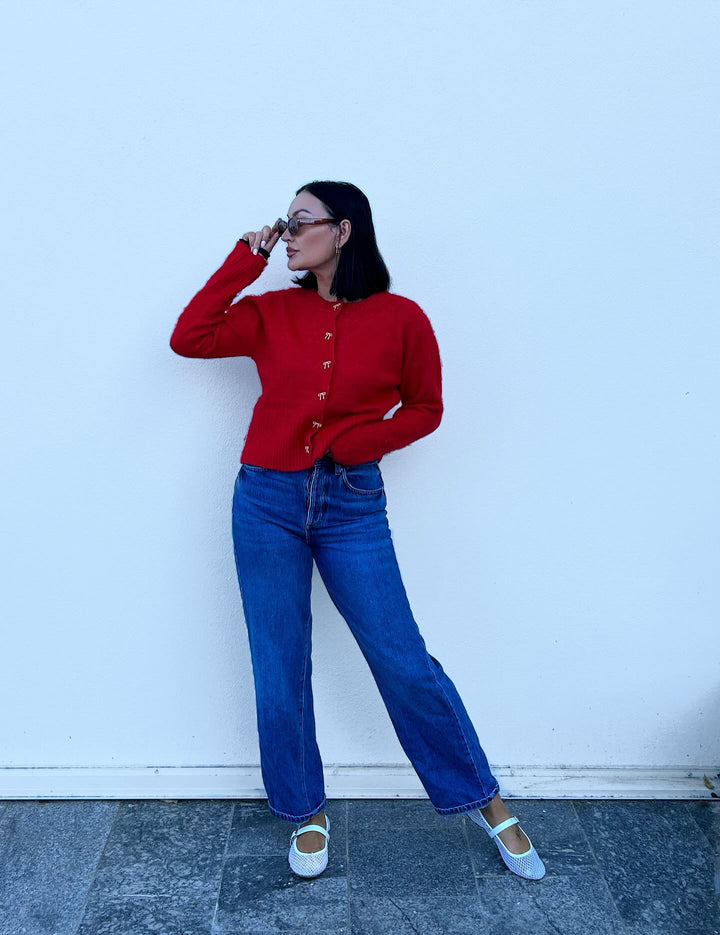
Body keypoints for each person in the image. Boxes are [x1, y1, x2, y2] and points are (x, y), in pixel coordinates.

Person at [169, 180, 545, 881]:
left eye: (300, 222)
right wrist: (242, 260)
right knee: (279, 663)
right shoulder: (271, 310)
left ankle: (485, 799)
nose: (287, 233)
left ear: (343, 231)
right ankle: (305, 808)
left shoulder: (402, 317)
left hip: (350, 505)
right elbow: (188, 336)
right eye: (284, 224)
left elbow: (426, 407)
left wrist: (358, 442)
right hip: (265, 501)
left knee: (403, 658)